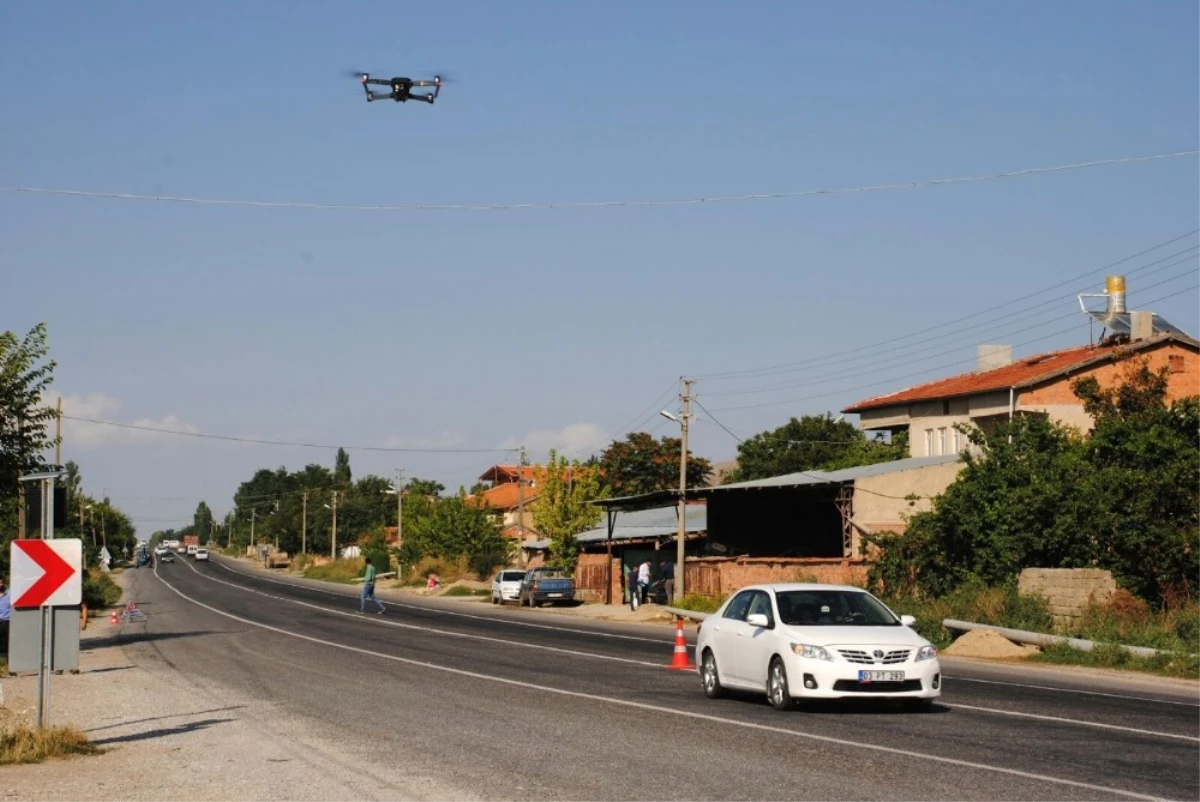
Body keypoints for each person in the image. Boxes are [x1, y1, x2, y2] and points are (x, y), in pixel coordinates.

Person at [0, 577, 10, 657]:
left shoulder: (9, 593)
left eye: (2, 582)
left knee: (6, 640)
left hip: (7, 620)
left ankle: (5, 656)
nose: (1, 584)